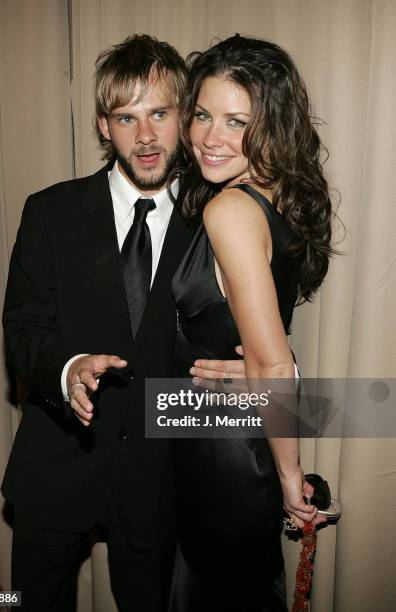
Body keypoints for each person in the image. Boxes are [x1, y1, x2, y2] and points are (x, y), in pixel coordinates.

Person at [2, 34, 245, 612]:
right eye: (126, 116)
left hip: (159, 480)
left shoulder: (217, 220)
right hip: (57, 464)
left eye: (159, 113)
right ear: (103, 125)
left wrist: (255, 381)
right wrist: (67, 371)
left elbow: (248, 341)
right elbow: (22, 331)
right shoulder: (50, 212)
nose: (145, 137)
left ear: (184, 118)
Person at [169, 35, 333, 611]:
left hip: (223, 447)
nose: (211, 137)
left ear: (273, 127)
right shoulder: (275, 194)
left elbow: (270, 360)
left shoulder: (231, 209)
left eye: (237, 121)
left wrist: (291, 481)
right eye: (203, 115)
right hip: (232, 434)